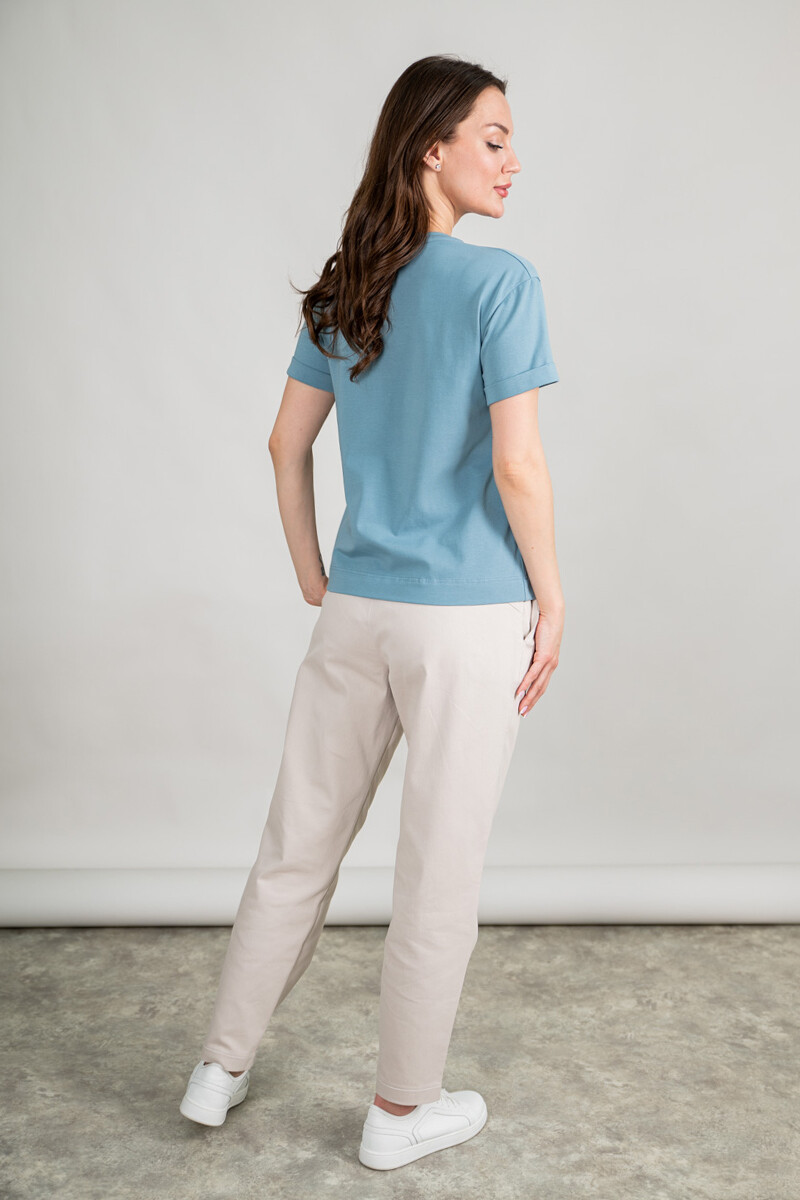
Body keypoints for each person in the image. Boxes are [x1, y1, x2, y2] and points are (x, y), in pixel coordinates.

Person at [180, 53, 564, 1171]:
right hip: (466, 622)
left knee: (294, 849)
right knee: (435, 873)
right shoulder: (501, 284)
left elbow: (283, 442)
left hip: (354, 610)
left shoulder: (348, 284)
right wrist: (551, 595)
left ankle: (217, 1069)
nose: (513, 160)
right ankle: (399, 1114)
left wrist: (314, 571)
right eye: (493, 138)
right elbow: (519, 466)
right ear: (431, 149)